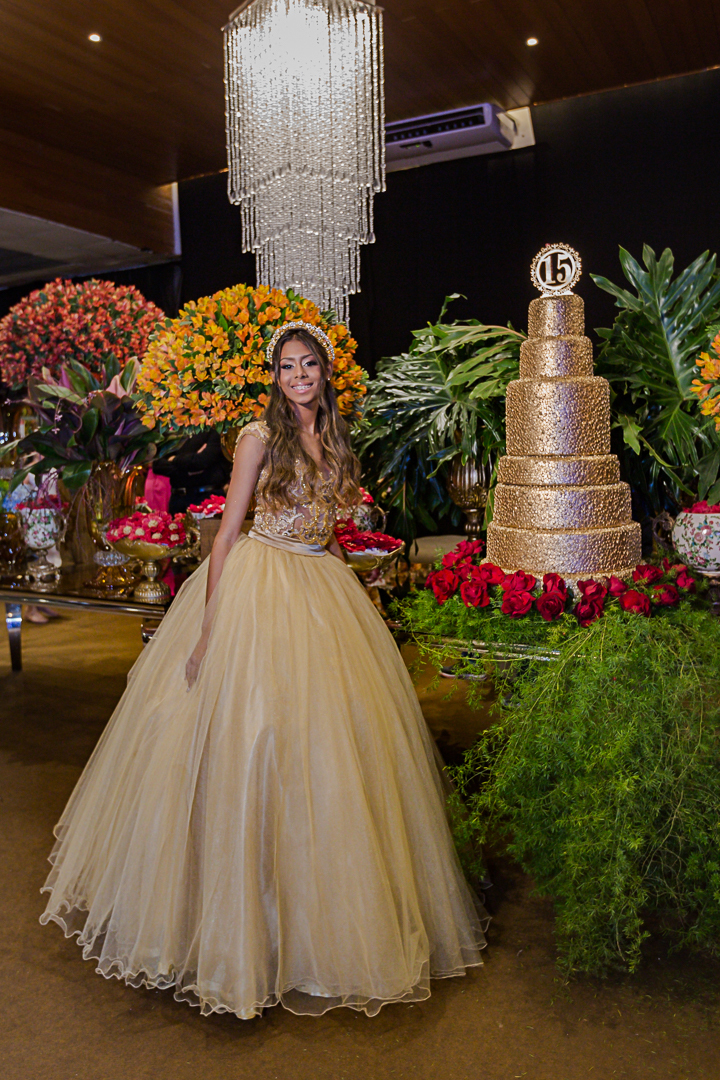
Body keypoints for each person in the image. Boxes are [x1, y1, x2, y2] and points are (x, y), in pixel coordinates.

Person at [40, 321, 488, 1019]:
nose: (298, 375)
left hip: (321, 584)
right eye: (287, 366)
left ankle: (321, 923)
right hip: (261, 583)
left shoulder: (335, 438)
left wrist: (357, 590)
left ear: (324, 372)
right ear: (275, 377)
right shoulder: (258, 437)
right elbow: (226, 536)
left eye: (308, 364)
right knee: (255, 735)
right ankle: (233, 931)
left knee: (330, 748)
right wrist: (209, 628)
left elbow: (329, 533)